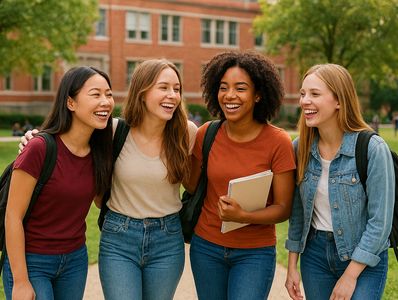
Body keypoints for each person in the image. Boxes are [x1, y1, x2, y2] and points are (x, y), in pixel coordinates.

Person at [185, 50, 296, 300]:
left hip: (254, 253)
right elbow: (190, 185)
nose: (230, 95)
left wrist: (243, 215)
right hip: (206, 248)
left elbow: (283, 207)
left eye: (241, 88)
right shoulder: (206, 134)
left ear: (258, 95)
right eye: (223, 87)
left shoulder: (278, 142)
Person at [3, 66, 114, 300]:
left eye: (109, 94)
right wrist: (21, 281)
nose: (105, 102)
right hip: (33, 261)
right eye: (95, 94)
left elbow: (98, 202)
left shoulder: (99, 151)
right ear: (70, 103)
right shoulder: (39, 148)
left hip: (75, 261)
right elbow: (12, 216)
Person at [285, 64, 394, 300]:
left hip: (364, 258)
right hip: (315, 256)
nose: (304, 101)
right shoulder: (299, 148)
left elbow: (380, 222)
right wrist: (292, 265)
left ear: (339, 101)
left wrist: (350, 275)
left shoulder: (372, 149)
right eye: (303, 94)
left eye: (315, 94)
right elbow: (298, 212)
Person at [97, 59, 197, 299]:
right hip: (118, 239)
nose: (172, 95)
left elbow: (193, 185)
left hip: (168, 239)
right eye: (163, 87)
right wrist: (33, 136)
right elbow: (69, 140)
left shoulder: (188, 133)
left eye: (177, 89)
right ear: (142, 92)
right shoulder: (112, 131)